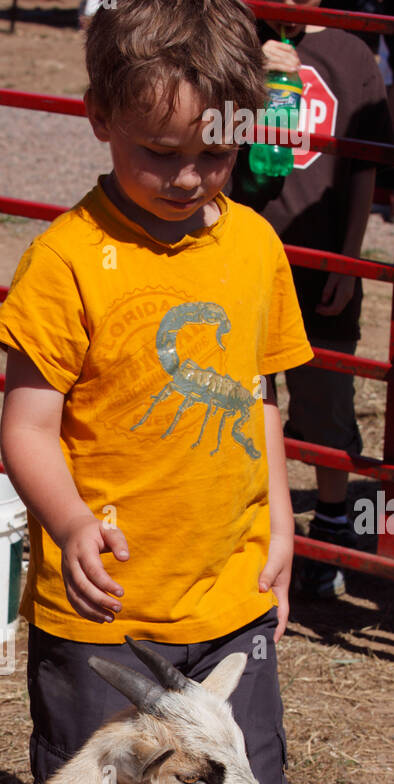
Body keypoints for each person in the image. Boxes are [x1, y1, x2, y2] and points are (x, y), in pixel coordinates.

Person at [0, 0, 314, 784]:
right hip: (104, 617)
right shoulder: (68, 261)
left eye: (212, 153)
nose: (186, 177)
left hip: (224, 599)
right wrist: (73, 523)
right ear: (96, 120)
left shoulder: (255, 244)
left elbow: (261, 398)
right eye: (157, 153)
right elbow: (25, 425)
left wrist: (274, 517)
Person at [230, 0, 394, 599]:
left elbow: (364, 168)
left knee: (325, 403)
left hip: (320, 258)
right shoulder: (234, 32)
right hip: (241, 252)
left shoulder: (353, 52)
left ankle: (329, 525)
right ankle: (248, 529)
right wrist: (251, 74)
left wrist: (349, 261)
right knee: (236, 396)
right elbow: (198, 126)